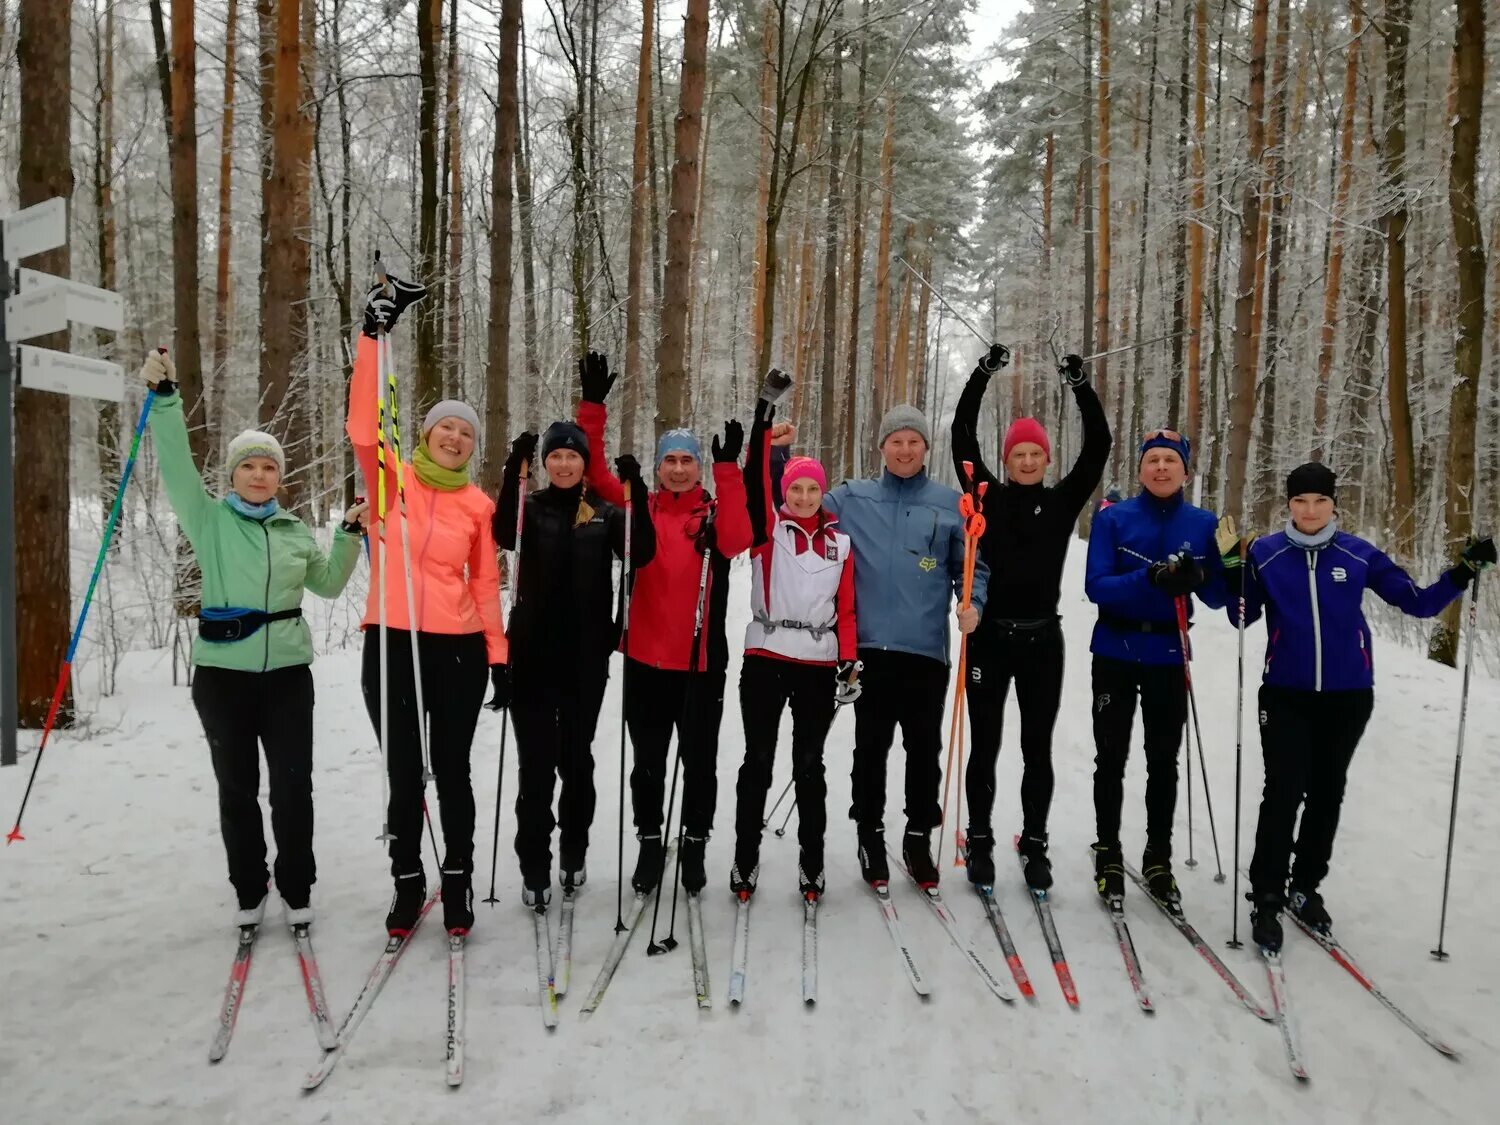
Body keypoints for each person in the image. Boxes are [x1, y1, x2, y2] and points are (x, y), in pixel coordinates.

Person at [1224, 463, 1495, 951]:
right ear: (1288, 505)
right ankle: (1266, 894)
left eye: (1320, 501)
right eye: (1301, 501)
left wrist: (1462, 571)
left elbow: (1418, 603)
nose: (1310, 511)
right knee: (1284, 790)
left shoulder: (1358, 553)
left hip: (1349, 696)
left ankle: (1305, 888)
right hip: (1285, 692)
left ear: (1333, 505)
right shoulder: (1265, 553)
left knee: (1327, 791)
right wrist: (1230, 571)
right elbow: (1240, 617)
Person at [141, 349, 363, 928]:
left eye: (269, 467)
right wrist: (165, 402)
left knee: (293, 787)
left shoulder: (294, 533)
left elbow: (332, 585)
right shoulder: (209, 519)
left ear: (280, 478)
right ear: (233, 474)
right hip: (222, 678)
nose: (260, 475)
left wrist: (347, 535)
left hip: (288, 676)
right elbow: (176, 465)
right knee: (237, 788)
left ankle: (296, 884)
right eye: (249, 466)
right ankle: (248, 885)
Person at [346, 276, 507, 937]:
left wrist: (497, 653)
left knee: (453, 769)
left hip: (458, 651)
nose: (454, 438)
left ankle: (459, 879)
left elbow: (484, 584)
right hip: (392, 641)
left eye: (464, 433)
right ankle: (408, 880)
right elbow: (362, 423)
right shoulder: (390, 480)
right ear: (425, 432)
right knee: (403, 769)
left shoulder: (478, 505)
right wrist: (374, 335)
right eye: (445, 427)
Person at [575, 357, 754, 895]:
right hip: (645, 660)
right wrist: (592, 413)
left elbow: (742, 539)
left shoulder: (717, 515)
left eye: (687, 461)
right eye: (670, 461)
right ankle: (651, 842)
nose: (678, 469)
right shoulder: (637, 507)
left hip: (700, 663)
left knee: (699, 762)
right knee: (648, 763)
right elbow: (595, 475)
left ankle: (694, 844)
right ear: (657, 468)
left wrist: (729, 469)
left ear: (698, 468)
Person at [950, 347, 1110, 890]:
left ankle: (1035, 842)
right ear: (1006, 458)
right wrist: (982, 374)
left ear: (1046, 460)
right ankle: (979, 840)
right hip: (991, 639)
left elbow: (1100, 447)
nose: (1025, 461)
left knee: (1036, 747)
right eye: (1016, 453)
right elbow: (961, 436)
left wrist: (1080, 384)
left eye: (1034, 454)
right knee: (986, 744)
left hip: (1044, 641)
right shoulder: (987, 495)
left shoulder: (1063, 502)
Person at [496, 393, 655, 909]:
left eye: (573, 455)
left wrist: (640, 494)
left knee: (576, 761)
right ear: (545, 463)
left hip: (587, 658)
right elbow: (503, 532)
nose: (564, 464)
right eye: (555, 456)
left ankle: (574, 850)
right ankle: (533, 862)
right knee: (535, 765)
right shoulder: (532, 508)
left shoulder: (606, 514)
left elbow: (642, 551)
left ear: (585, 462)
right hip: (533, 657)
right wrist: (510, 473)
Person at [823, 405, 989, 889]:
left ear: (925, 449)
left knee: (924, 748)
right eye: (896, 441)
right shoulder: (853, 497)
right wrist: (778, 457)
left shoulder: (949, 504)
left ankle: (918, 835)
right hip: (868, 648)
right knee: (869, 747)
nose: (904, 449)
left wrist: (971, 602)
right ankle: (869, 834)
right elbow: (798, 505)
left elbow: (972, 566)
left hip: (924, 650)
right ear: (882, 448)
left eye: (913, 441)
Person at [1085, 428, 1227, 907]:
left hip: (1169, 652)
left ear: (1186, 470)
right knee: (1111, 756)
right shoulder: (1114, 519)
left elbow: (1217, 598)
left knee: (1163, 760)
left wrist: (1213, 572)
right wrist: (1150, 576)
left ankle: (1158, 855)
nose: (1161, 468)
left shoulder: (1203, 523)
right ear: (1141, 469)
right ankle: (1108, 849)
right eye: (1153, 460)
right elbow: (1096, 586)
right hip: (1115, 649)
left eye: (1171, 460)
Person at [729, 380, 858, 901]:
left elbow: (846, 610)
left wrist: (849, 663)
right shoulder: (767, 530)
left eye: (811, 489)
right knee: (757, 760)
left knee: (809, 765)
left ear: (820, 493)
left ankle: (812, 863)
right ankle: (744, 860)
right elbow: (754, 477)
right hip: (765, 656)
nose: (803, 497)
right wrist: (764, 414)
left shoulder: (839, 543)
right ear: (784, 493)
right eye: (795, 489)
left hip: (817, 666)